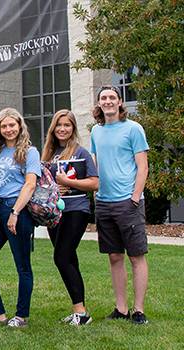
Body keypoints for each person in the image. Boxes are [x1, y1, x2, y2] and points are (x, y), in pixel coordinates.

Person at [0, 108, 40, 328]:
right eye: (4, 126)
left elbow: (30, 184)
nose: (9, 129)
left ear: (19, 126)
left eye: (12, 125)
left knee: (22, 266)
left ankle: (21, 316)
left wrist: (15, 212)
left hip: (17, 211)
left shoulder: (30, 152)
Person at [91, 86, 149, 324]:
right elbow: (95, 164)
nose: (108, 101)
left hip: (128, 202)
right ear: (99, 103)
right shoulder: (96, 130)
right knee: (114, 257)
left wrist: (135, 197)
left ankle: (138, 310)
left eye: (112, 97)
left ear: (120, 102)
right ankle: (121, 308)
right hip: (104, 202)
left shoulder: (133, 129)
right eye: (103, 98)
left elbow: (143, 166)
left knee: (136, 256)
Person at [41, 109, 98, 326]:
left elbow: (94, 183)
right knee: (69, 258)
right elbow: (43, 183)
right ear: (53, 128)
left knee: (61, 257)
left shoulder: (81, 153)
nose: (63, 129)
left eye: (67, 125)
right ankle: (79, 311)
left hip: (77, 211)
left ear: (73, 128)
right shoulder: (49, 153)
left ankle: (81, 313)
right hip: (54, 212)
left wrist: (69, 183)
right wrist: (54, 186)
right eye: (59, 125)